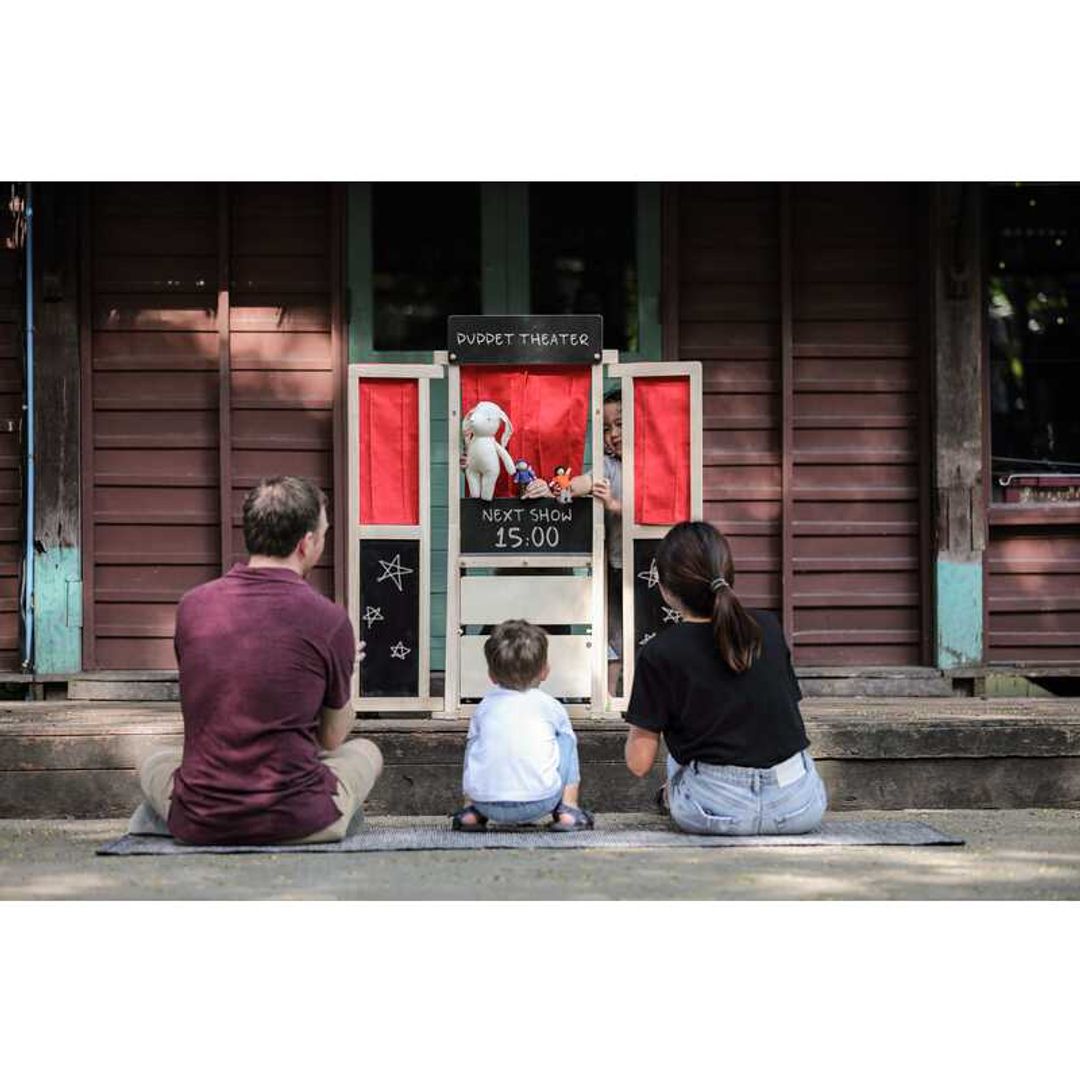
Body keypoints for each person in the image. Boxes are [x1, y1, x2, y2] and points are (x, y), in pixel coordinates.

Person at [136, 476, 383, 845]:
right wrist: (348, 670)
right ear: (306, 543)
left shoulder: (192, 607)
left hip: (200, 821)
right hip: (299, 820)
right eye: (324, 534)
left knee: (154, 757)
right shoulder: (329, 620)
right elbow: (331, 738)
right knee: (365, 751)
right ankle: (338, 815)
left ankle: (166, 815)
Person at [623, 521, 827, 836]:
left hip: (713, 811)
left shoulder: (659, 652)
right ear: (728, 574)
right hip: (798, 807)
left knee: (678, 756)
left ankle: (674, 795)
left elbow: (639, 763)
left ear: (664, 588)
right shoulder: (768, 627)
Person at [520, 388, 623, 696]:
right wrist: (560, 488)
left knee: (645, 629)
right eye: (605, 429)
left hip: (648, 564)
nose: (613, 434)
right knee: (612, 631)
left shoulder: (653, 465)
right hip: (615, 564)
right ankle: (609, 698)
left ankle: (637, 694)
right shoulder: (607, 465)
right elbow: (584, 481)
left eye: (620, 424)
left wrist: (616, 507)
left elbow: (655, 507)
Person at [452, 619, 594, 832]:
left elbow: (474, 753)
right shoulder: (551, 706)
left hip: (486, 802)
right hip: (541, 801)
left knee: (475, 742)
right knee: (566, 738)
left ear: (491, 675)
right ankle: (568, 809)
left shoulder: (485, 707)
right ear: (545, 671)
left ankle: (471, 810)